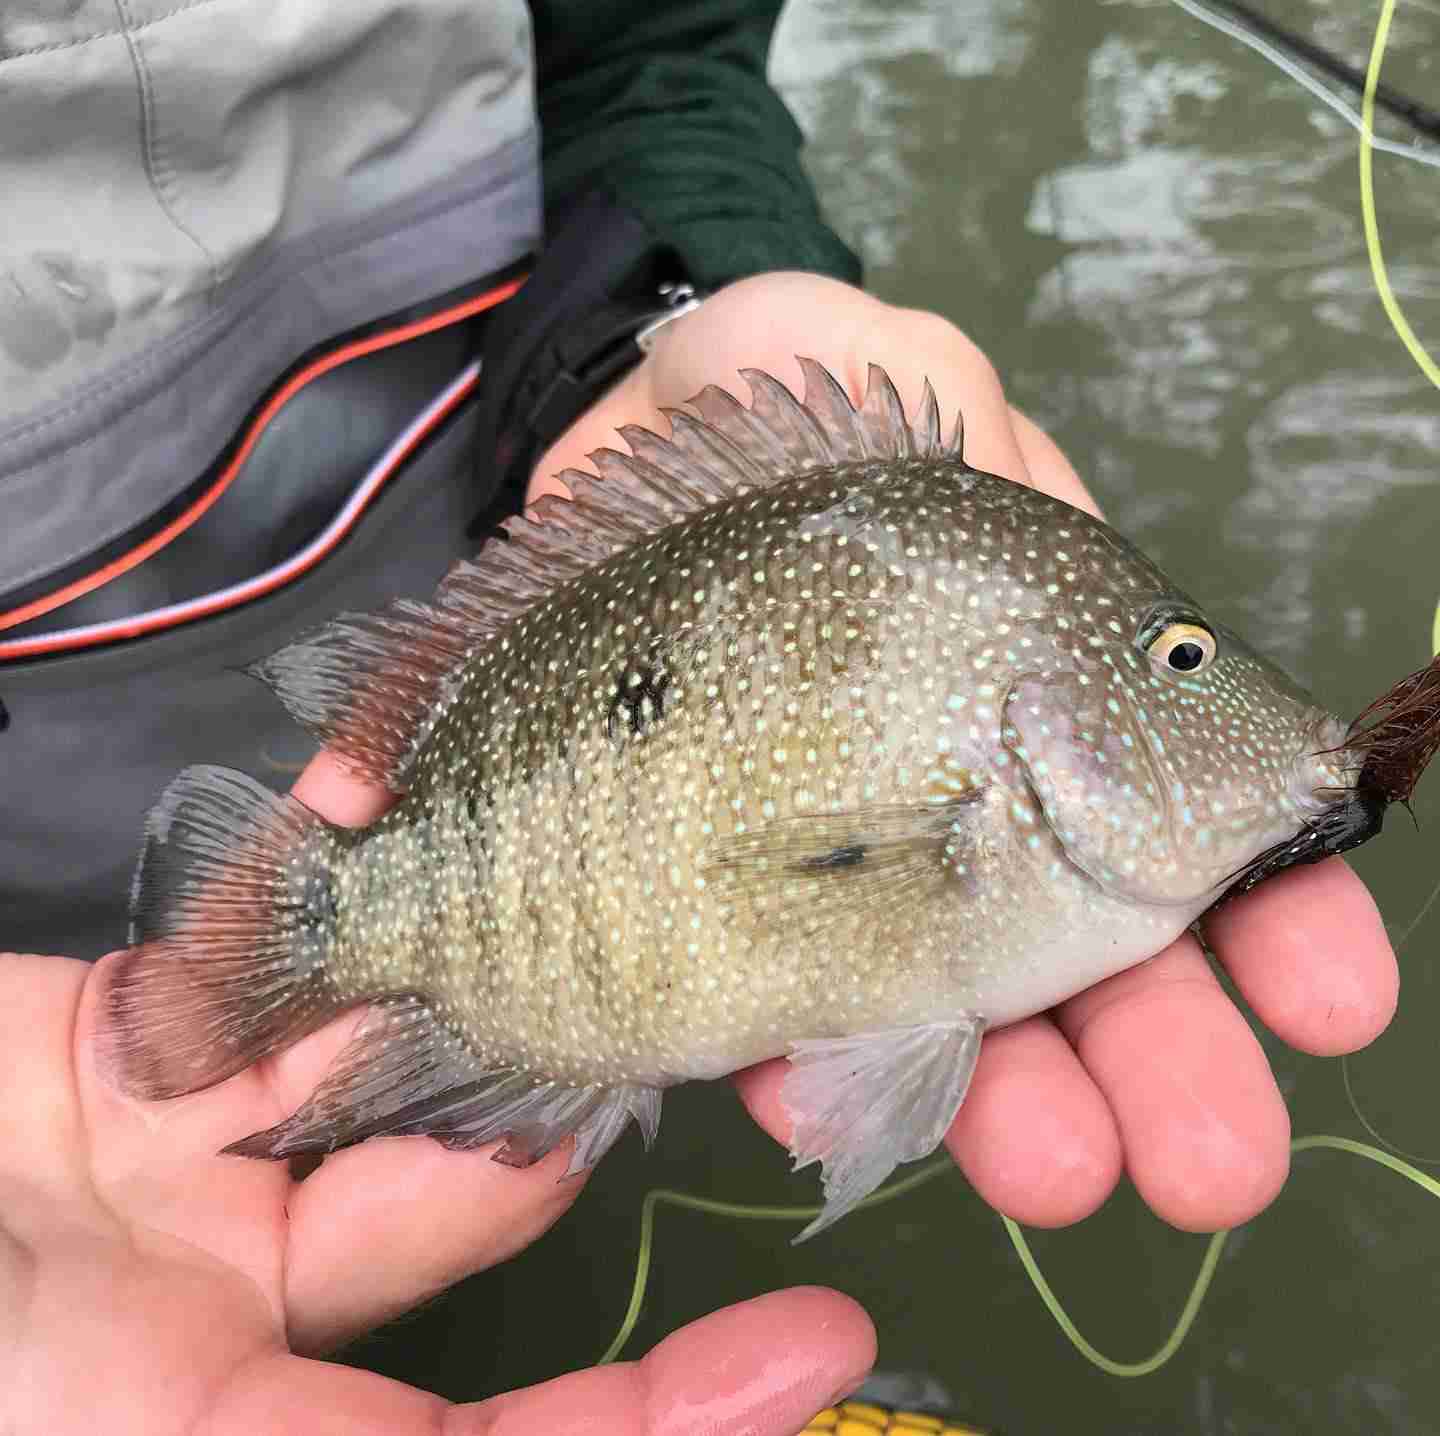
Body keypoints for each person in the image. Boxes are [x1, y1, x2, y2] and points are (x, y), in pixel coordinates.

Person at [0, 4, 1399, 1432]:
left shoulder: (1023, 736)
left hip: (468, 504)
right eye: (1177, 657)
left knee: (385, 1252)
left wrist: (652, 303)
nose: (1219, 689)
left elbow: (647, 51)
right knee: (284, 1266)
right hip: (60, 892)